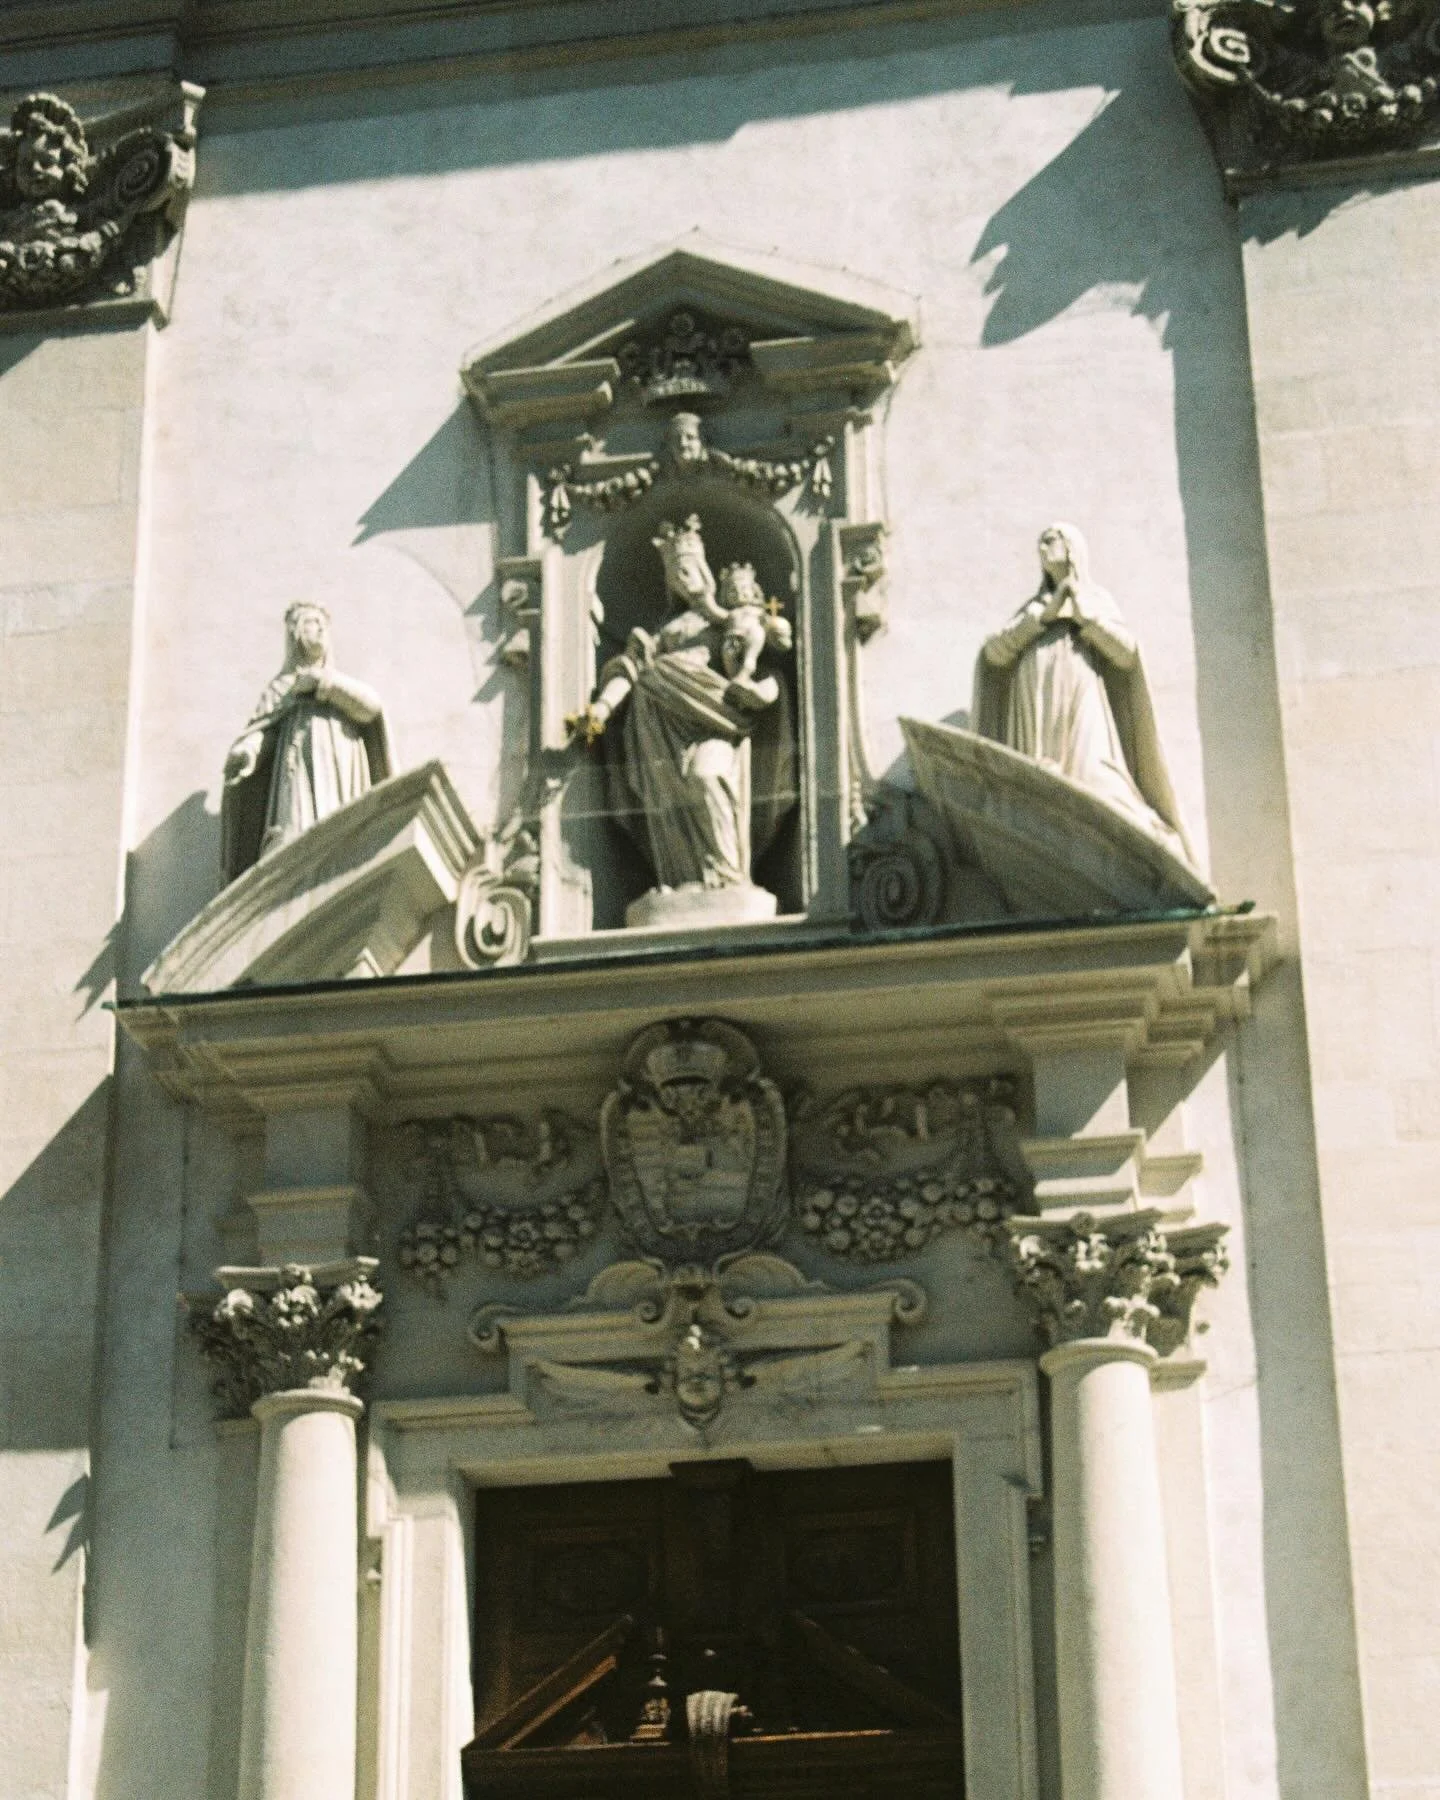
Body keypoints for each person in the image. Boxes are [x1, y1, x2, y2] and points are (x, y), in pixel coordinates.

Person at [570, 516, 794, 896]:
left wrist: (760, 687)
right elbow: (631, 669)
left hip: (714, 716)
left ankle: (728, 875)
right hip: (658, 726)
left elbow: (766, 655)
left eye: (688, 568)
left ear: (704, 569)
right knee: (668, 804)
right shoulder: (661, 630)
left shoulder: (727, 617)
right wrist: (602, 711)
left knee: (707, 779)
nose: (683, 577)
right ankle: (684, 879)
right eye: (675, 571)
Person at [973, 523, 1197, 865]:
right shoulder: (1032, 609)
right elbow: (993, 656)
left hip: (1079, 696)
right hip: (1036, 709)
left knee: (1096, 776)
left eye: (1050, 540)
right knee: (1041, 786)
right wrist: (1040, 619)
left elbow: (1125, 654)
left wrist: (1086, 619)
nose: (1041, 547)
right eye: (1040, 542)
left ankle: (1155, 842)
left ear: (1072, 547)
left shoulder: (1095, 600)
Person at [221, 602, 392, 883]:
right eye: (312, 622)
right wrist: (249, 751)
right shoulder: (280, 688)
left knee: (340, 827)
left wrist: (324, 686)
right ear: (296, 633)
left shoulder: (336, 683)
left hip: (339, 770)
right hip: (297, 774)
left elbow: (371, 707)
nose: (321, 628)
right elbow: (265, 730)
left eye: (323, 624)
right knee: (296, 831)